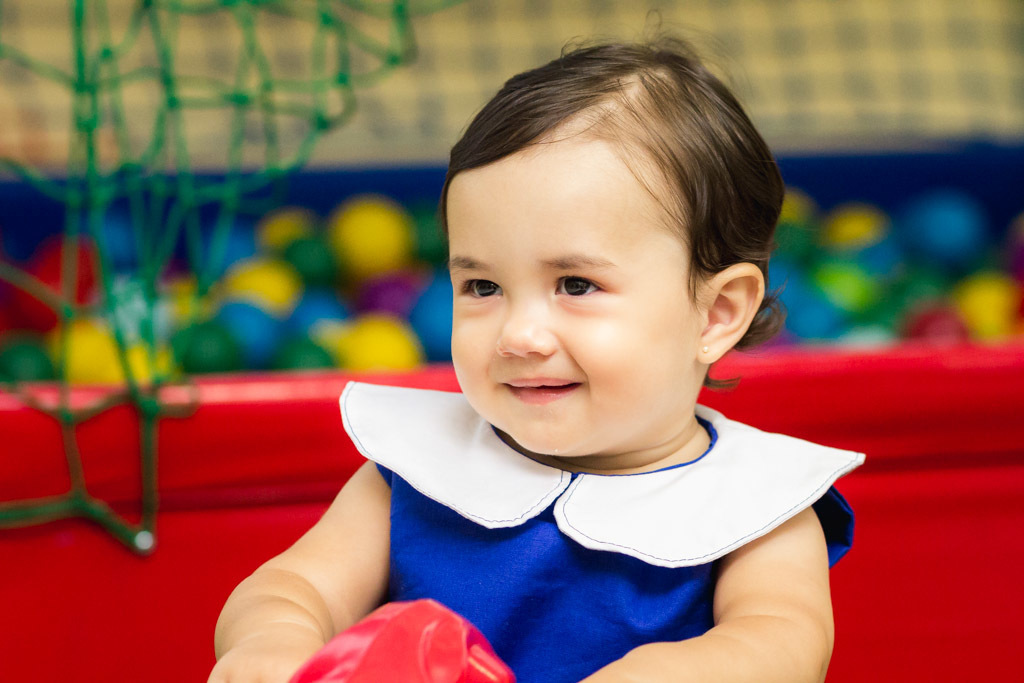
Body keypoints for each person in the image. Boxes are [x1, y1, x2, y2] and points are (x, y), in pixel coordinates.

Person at [210, 37, 864, 683]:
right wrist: (275, 636)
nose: (519, 335)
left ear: (717, 313)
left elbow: (781, 641)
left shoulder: (752, 504)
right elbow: (293, 585)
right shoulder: (415, 470)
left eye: (575, 285)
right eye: (482, 287)